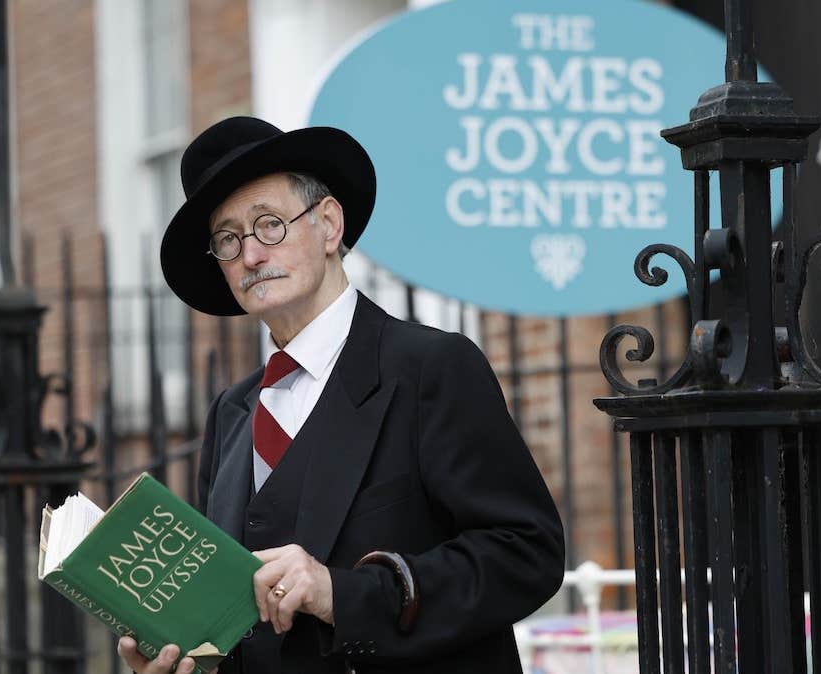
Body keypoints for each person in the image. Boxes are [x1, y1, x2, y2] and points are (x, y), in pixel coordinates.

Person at [117, 116, 565, 674]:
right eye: (229, 240)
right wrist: (185, 654)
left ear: (329, 225)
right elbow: (242, 627)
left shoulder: (430, 367)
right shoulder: (232, 413)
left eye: (269, 224)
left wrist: (342, 593)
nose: (251, 255)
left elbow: (527, 553)